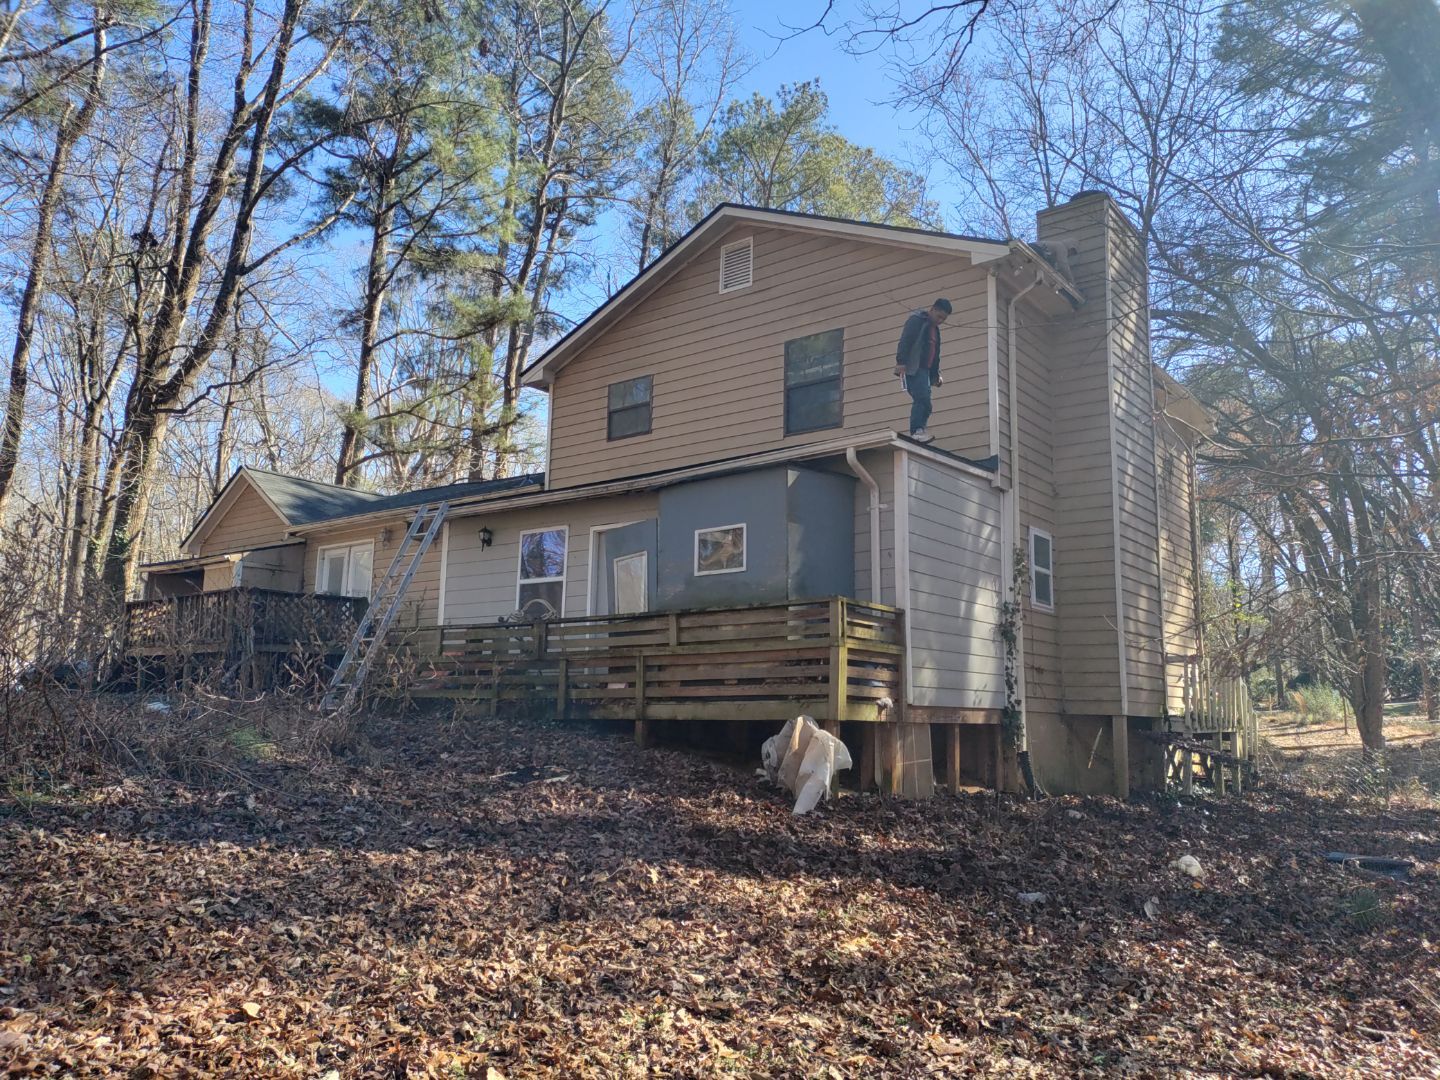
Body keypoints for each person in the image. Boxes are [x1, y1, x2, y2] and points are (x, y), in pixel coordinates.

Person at [893, 298, 951, 443]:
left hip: (925, 371)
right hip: (913, 368)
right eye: (939, 316)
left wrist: (935, 375)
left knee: (927, 404)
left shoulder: (935, 330)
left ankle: (921, 430)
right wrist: (901, 362)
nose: (940, 321)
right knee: (921, 398)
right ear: (933, 309)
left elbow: (935, 354)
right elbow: (905, 341)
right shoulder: (917, 321)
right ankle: (917, 431)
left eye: (943, 319)